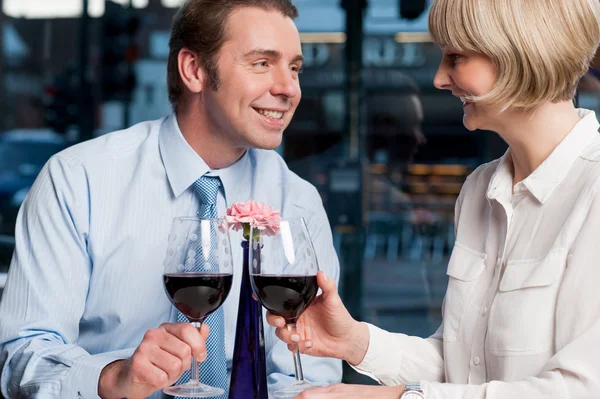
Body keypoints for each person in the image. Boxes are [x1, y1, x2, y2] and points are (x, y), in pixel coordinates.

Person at [0, 0, 342, 398]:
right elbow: (21, 358)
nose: (288, 88)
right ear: (194, 70)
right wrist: (114, 377)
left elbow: (310, 375)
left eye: (295, 67)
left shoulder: (297, 202)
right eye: (262, 63)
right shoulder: (78, 181)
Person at [268, 0, 600, 397]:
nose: (440, 78)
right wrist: (354, 342)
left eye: (456, 57)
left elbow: (579, 388)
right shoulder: (480, 188)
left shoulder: (593, 190)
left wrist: (393, 397)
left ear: (520, 52)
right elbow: (462, 365)